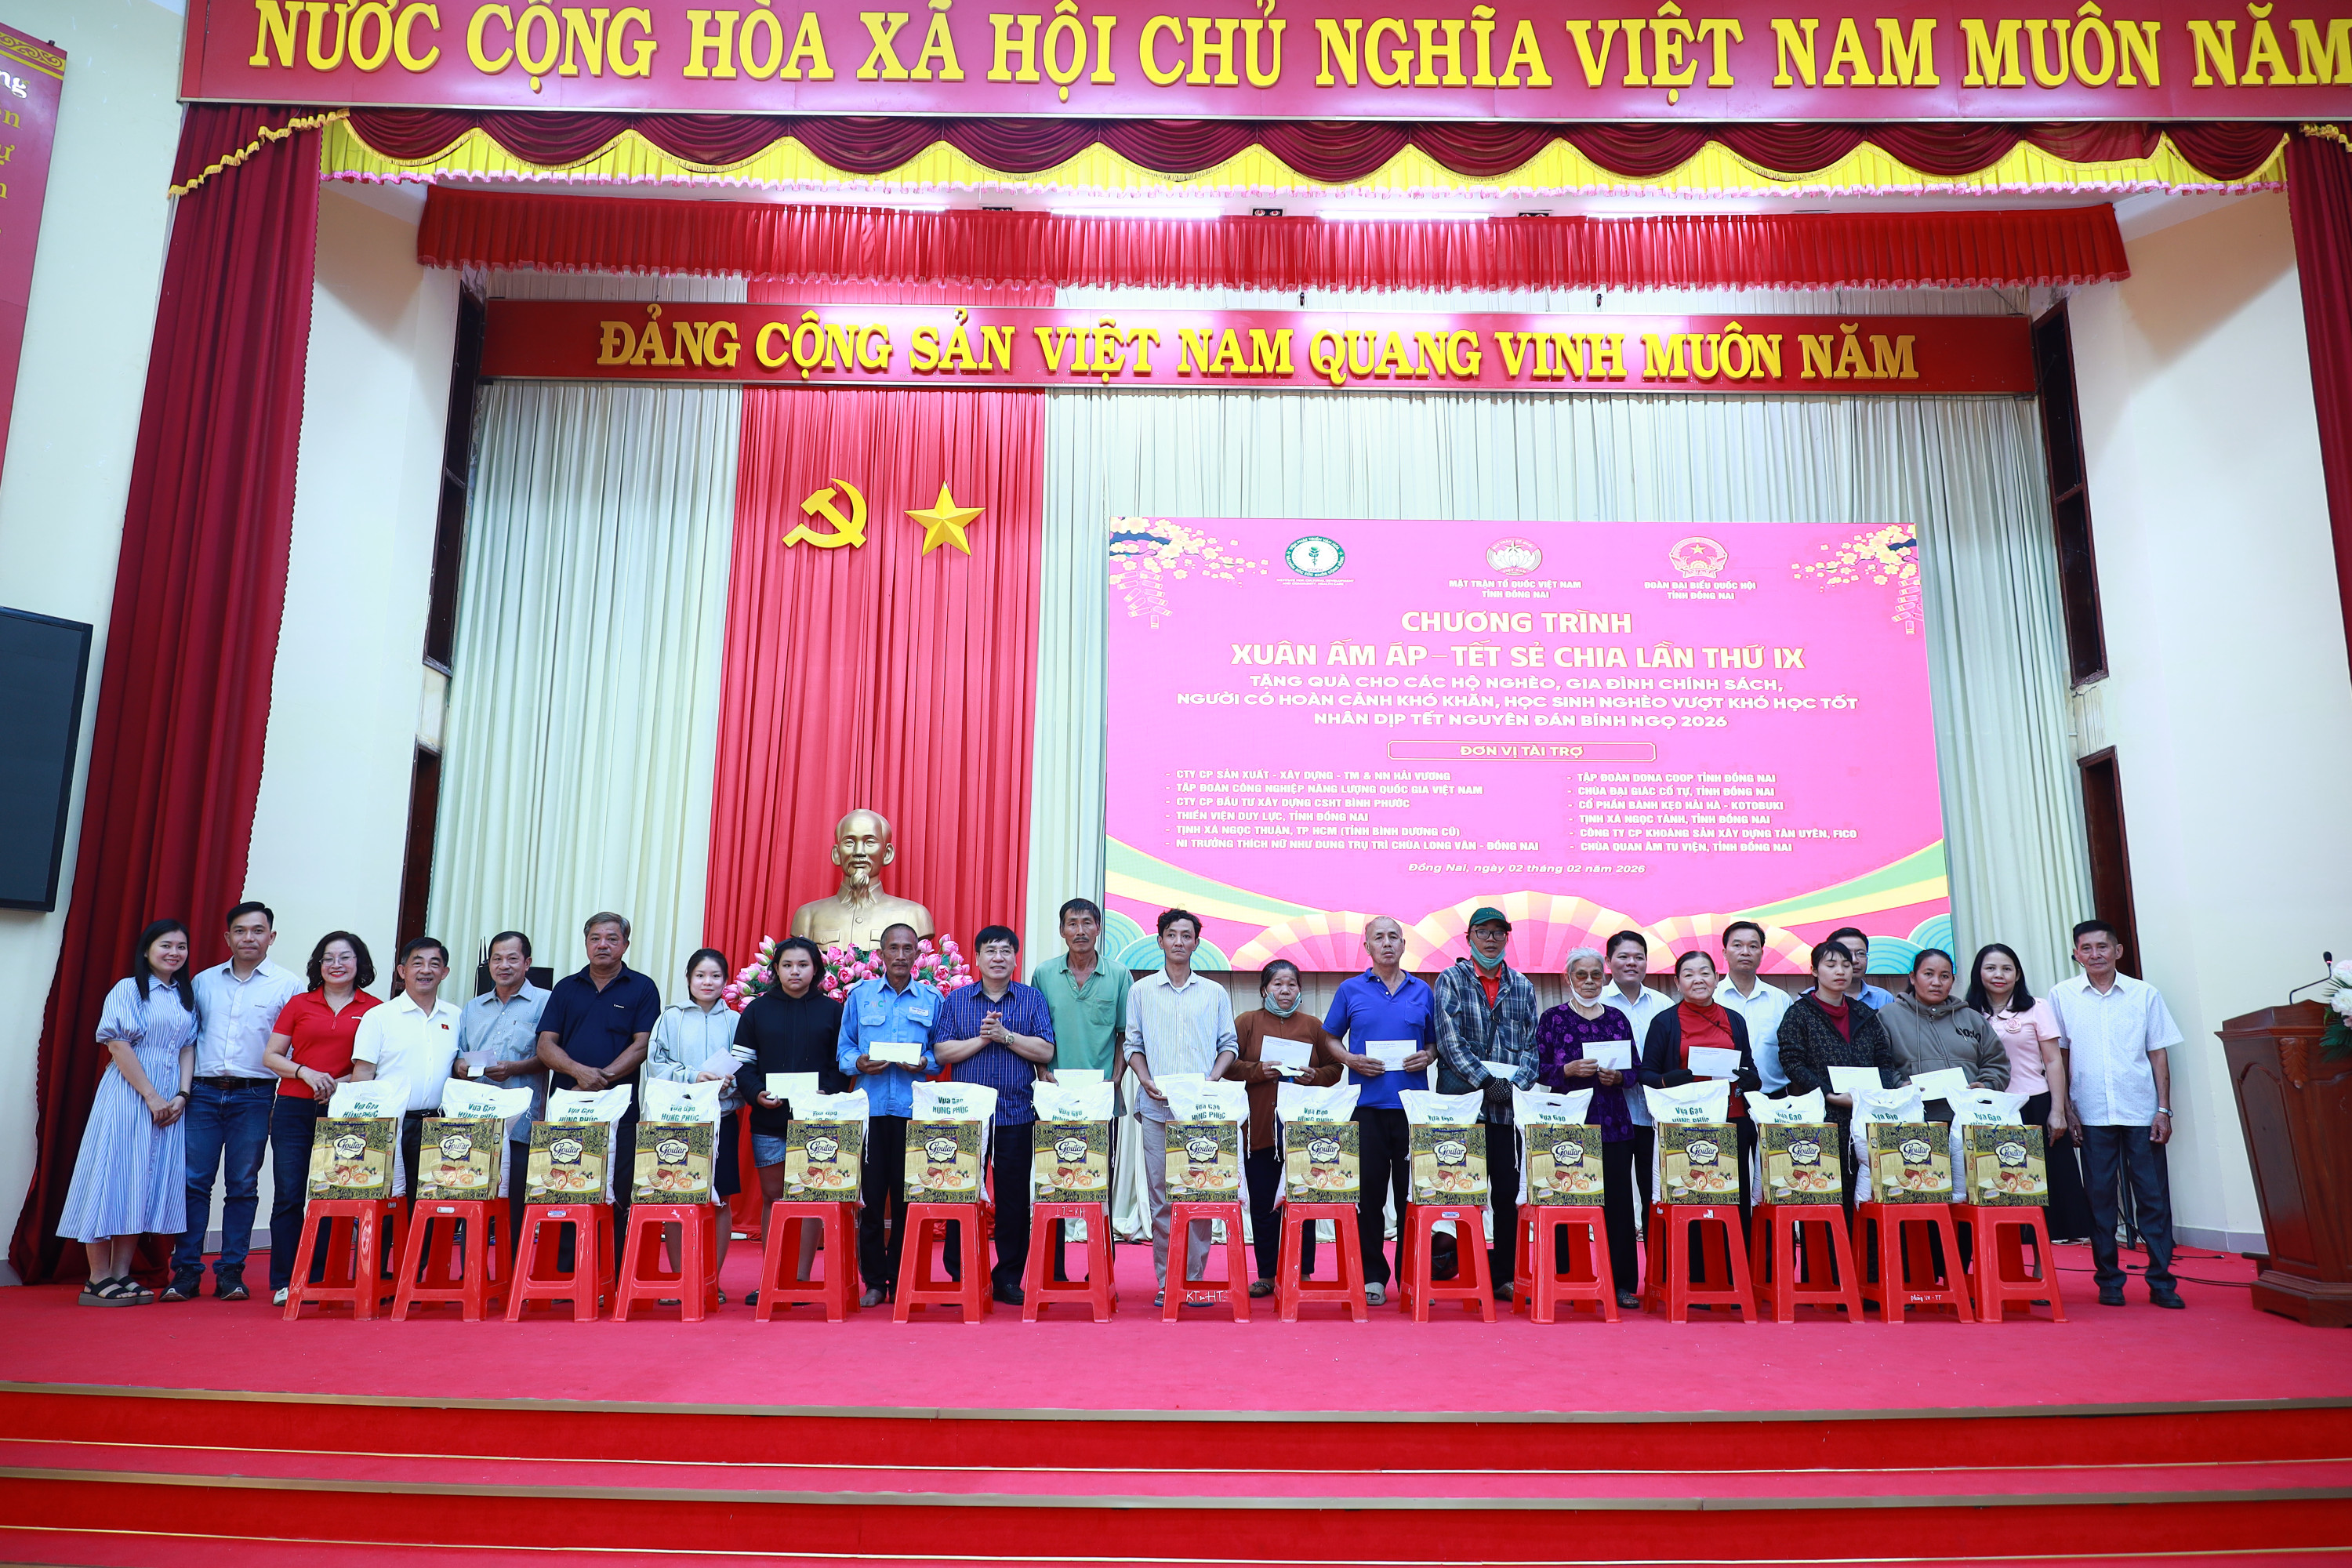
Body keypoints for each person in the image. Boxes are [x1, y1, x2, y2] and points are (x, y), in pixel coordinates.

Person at [164, 902, 301, 1303]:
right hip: (203, 1093)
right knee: (193, 1182)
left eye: (258, 931)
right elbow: (186, 1040)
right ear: (228, 937)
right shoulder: (203, 982)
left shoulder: (288, 986)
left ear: (271, 937)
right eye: (240, 931)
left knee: (242, 1185)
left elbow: (293, 1048)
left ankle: (231, 1273)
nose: (249, 938)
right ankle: (186, 1272)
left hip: (255, 1096)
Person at [60, 920, 198, 1306]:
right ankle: (96, 1277)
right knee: (110, 1176)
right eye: (166, 945)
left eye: (181, 946)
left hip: (170, 1101)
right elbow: (118, 1045)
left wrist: (183, 1094)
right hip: (129, 1095)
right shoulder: (128, 989)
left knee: (143, 1180)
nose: (174, 953)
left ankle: (121, 1272)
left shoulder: (183, 994)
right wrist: (151, 1097)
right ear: (147, 949)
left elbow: (188, 1047)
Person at [2049, 920, 2185, 1310]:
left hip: (2141, 1111)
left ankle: (2162, 1282)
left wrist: (2163, 1109)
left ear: (2118, 951)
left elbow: (2158, 1053)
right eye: (2086, 948)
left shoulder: (2145, 994)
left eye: (2102, 947)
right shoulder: (2062, 996)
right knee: (2100, 1202)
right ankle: (2109, 1280)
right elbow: (2059, 1056)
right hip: (2091, 1113)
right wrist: (2067, 1109)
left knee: (2153, 1199)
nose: (2095, 955)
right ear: (2076, 954)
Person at [930, 924, 1055, 1305]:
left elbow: (1046, 1051)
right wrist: (985, 1037)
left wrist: (1006, 1036)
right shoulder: (957, 1000)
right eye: (990, 951)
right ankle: (961, 1274)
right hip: (967, 1117)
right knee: (961, 1194)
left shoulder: (1031, 999)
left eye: (1005, 951)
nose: (998, 958)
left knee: (1013, 1200)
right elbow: (942, 1053)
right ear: (977, 958)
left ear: (1016, 958)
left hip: (1016, 1113)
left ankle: (1008, 1277)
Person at [1124, 907, 1239, 1308]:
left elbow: (1229, 1045)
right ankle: (1167, 1280)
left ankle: (1194, 1279)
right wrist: (1145, 1080)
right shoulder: (1141, 991)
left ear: (1196, 943)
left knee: (1199, 1193)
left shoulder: (1214, 992)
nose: (1178, 942)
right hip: (1156, 1108)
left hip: (1201, 1112)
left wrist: (1211, 1082)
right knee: (1161, 1197)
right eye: (1171, 935)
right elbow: (1133, 1045)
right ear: (1160, 941)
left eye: (1186, 935)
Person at [260, 932, 382, 1305]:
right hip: (294, 1108)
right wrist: (306, 1073)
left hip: (345, 1111)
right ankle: (286, 1281)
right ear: (318, 964)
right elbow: (271, 1056)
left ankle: (322, 1277)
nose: (336, 964)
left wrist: (335, 1084)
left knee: (333, 1194)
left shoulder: (375, 1009)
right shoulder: (300, 1003)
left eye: (345, 957)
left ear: (359, 964)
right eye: (328, 958)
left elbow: (376, 1064)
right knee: (289, 1194)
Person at [1320, 915, 1436, 1308]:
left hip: (1412, 1109)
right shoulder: (1350, 989)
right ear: (1367, 946)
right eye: (1379, 938)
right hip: (1366, 1108)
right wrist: (1351, 1060)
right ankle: (1372, 1276)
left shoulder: (1422, 990)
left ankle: (1412, 1278)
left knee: (1413, 1197)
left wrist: (1428, 1056)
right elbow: (1330, 1038)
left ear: (1404, 945)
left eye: (1393, 937)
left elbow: (1434, 1043)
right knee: (1369, 1197)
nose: (1387, 944)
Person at [1431, 906, 1541, 1301]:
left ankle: (1504, 1276)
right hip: (1464, 1109)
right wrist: (1486, 1082)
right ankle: (1461, 1269)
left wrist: (1515, 1086)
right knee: (1458, 1194)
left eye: (1498, 933)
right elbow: (1448, 1041)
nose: (1491, 939)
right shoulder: (1451, 979)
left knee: (1507, 1195)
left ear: (1506, 938)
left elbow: (1532, 1047)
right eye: (1483, 932)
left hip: (1507, 1110)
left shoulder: (1523, 986)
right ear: (1469, 938)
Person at [735, 935, 849, 1301]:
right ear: (776, 969)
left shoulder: (833, 1011)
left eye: (802, 965)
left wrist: (827, 1093)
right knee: (774, 1197)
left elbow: (841, 1064)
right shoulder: (757, 1011)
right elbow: (743, 1065)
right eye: (787, 965)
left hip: (817, 1120)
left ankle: (799, 1278)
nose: (794, 972)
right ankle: (773, 1277)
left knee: (812, 1196)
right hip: (769, 1120)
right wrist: (757, 1094)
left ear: (816, 970)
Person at [535, 913, 662, 1237]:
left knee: (616, 1189)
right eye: (595, 938)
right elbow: (545, 1045)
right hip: (569, 1105)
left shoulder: (642, 987)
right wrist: (578, 1073)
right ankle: (566, 1264)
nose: (602, 945)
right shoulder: (566, 988)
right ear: (586, 943)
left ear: (625, 945)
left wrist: (597, 1079)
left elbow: (642, 1045)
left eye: (611, 939)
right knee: (564, 1183)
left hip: (619, 1108)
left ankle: (612, 1263)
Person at [835, 923, 942, 1308]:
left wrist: (926, 1062)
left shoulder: (932, 999)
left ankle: (902, 1278)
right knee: (870, 1200)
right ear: (880, 954)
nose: (900, 955)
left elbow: (941, 1051)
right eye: (893, 948)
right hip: (871, 1111)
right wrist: (859, 1062)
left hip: (913, 1113)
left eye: (907, 948)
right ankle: (874, 1282)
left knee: (907, 1201)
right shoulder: (860, 997)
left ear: (918, 955)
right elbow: (843, 1050)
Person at [1225, 960, 1341, 1297]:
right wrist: (1258, 1070)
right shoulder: (1247, 1023)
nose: (1285, 991)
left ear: (1300, 990)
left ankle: (1301, 1272)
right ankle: (1266, 1274)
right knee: (1264, 1205)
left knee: (1302, 1203)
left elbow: (1335, 1069)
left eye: (1291, 984)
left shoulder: (1314, 1026)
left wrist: (1314, 1076)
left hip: (1302, 1134)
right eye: (1278, 984)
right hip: (1260, 1130)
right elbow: (1228, 1066)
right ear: (1264, 990)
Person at [1030, 897, 1132, 1278]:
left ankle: (1100, 1272)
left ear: (1099, 928)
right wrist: (1043, 1072)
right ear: (1062, 931)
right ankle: (1053, 1271)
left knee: (1099, 1185)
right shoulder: (1044, 974)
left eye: (1087, 923)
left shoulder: (1119, 975)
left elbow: (1125, 1035)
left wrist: (1115, 1079)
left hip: (1101, 1099)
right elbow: (1035, 1033)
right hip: (1055, 1098)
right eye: (1072, 923)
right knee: (1053, 1181)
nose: (1080, 931)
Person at [1534, 947, 1641, 1308]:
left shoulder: (1617, 1019)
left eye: (1597, 974)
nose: (1590, 981)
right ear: (1569, 978)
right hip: (1569, 1126)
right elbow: (1537, 1069)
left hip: (1614, 1124)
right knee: (1566, 1201)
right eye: (1582, 974)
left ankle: (1622, 1284)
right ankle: (1567, 1278)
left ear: (1605, 978)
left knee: (1618, 1207)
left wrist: (1619, 1077)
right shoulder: (1553, 1018)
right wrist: (1566, 1071)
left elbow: (1635, 1069)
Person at [1967, 942, 2094, 1243]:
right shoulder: (1967, 1013)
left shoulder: (2037, 1007)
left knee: (2045, 1191)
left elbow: (2053, 1061)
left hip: (2035, 1103)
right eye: (1990, 968)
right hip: (1990, 1108)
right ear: (1978, 973)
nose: (1999, 975)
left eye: (2006, 968)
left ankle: (2041, 1265)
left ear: (2018, 974)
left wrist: (2058, 1110)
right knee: (2000, 1189)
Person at [645, 949, 750, 1288]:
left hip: (722, 1118)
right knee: (678, 1195)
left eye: (716, 976)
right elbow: (655, 1065)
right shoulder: (669, 1018)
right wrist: (694, 1076)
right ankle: (680, 1280)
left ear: (726, 981)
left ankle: (710, 1282)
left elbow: (748, 1066)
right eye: (700, 975)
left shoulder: (736, 1021)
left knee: (721, 1200)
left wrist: (731, 1082)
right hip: (679, 1121)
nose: (708, 982)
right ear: (689, 979)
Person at [1641, 952, 1765, 1232]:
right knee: (1691, 1197)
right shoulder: (1665, 1022)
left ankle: (1735, 1257)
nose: (1698, 980)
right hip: (1686, 1122)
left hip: (1732, 1119)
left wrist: (1751, 1080)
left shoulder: (1734, 1019)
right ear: (1677, 982)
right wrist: (1668, 1080)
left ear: (1717, 978)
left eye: (1705, 973)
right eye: (1689, 974)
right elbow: (1645, 1075)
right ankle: (1692, 1260)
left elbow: (1750, 1067)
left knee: (1732, 1196)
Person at [1777, 939, 1902, 1207]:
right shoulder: (1798, 1014)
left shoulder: (1865, 1014)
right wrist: (1829, 1094)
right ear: (1814, 970)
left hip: (1868, 1114)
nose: (1841, 971)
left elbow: (1885, 1061)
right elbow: (1792, 1063)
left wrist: (1877, 1093)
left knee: (1872, 1195)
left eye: (1846, 965)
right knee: (1827, 1193)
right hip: (1822, 1114)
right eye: (1831, 965)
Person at [451, 931, 548, 1254]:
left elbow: (551, 1055)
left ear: (527, 963)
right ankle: (472, 1271)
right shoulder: (473, 1008)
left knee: (517, 1206)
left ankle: (515, 1271)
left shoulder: (546, 1002)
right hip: (477, 1122)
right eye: (497, 959)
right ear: (489, 964)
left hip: (522, 1123)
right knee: (474, 1199)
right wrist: (460, 1066)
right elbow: (459, 1056)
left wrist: (515, 1068)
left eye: (512, 959)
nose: (504, 965)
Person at [350, 936, 464, 1203]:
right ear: (402, 971)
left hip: (439, 1125)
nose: (426, 970)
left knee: (432, 1205)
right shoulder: (379, 1016)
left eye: (434, 964)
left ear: (445, 972)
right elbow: (363, 1074)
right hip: (392, 1124)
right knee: (389, 1203)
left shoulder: (456, 1016)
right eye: (417, 963)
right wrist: (360, 1126)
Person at [1877, 949, 2009, 1121]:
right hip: (1914, 1119)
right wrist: (1899, 1085)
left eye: (1944, 976)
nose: (1936, 982)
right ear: (1913, 978)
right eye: (1928, 974)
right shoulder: (1888, 1016)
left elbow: (1996, 1062)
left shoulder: (1972, 1019)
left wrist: (1986, 1085)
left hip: (1971, 1117)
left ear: (1952, 981)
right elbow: (1879, 1062)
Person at [1599, 930, 1668, 1208]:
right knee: (1615, 1195)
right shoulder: (1597, 1004)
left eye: (1638, 957)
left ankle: (1655, 1239)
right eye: (1623, 956)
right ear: (1608, 961)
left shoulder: (1663, 1005)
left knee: (1656, 1192)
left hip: (1654, 1114)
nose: (1631, 963)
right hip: (1612, 1116)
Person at [1715, 920, 1792, 1095]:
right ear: (1725, 953)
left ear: (1761, 953)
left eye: (1753, 946)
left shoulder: (1781, 999)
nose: (1745, 952)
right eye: (1737, 945)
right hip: (1724, 1097)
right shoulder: (1712, 997)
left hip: (1774, 1097)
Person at [1823, 927, 1896, 1011]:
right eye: (1846, 953)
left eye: (1860, 953)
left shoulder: (1884, 998)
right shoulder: (1813, 999)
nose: (1854, 960)